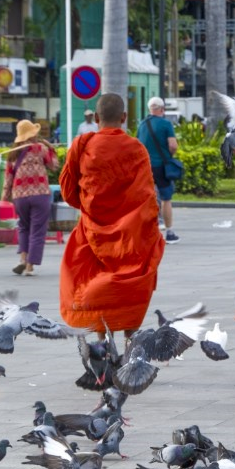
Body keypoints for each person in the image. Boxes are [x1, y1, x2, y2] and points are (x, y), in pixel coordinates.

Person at [58, 93, 165, 334]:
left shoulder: (83, 146)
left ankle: (102, 339)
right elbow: (147, 197)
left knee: (94, 280)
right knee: (130, 282)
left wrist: (88, 207)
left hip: (93, 230)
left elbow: (68, 192)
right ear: (124, 117)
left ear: (96, 118)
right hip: (132, 235)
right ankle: (129, 339)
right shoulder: (137, 149)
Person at [2, 120, 61, 276]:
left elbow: (8, 177)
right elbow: (54, 166)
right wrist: (51, 149)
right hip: (39, 194)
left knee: (23, 227)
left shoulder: (12, 153)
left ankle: (22, 259)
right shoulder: (40, 149)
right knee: (37, 230)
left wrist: (5, 196)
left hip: (20, 196)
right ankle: (29, 267)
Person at [137, 97, 181, 244]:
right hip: (161, 166)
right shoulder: (166, 124)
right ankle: (169, 233)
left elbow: (138, 145)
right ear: (162, 109)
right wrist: (170, 155)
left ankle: (147, 232)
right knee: (166, 199)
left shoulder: (142, 125)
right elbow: (173, 145)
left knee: (148, 198)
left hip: (146, 167)